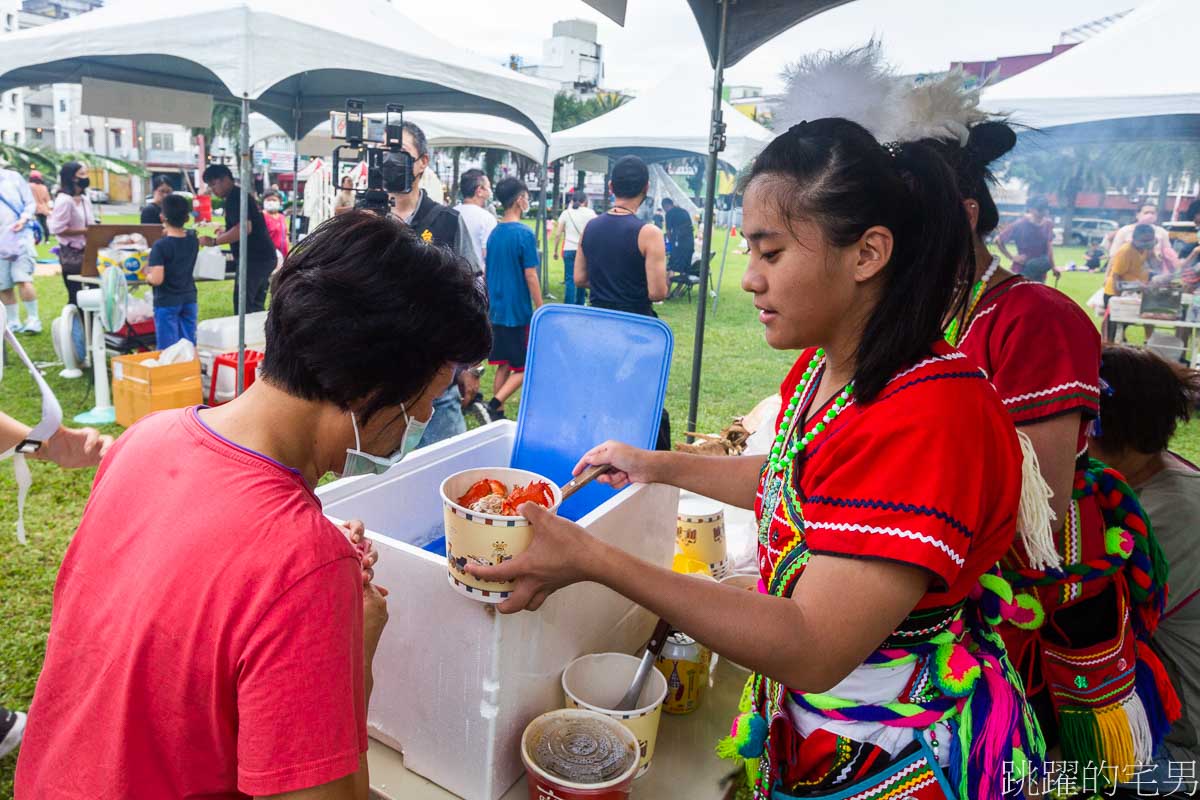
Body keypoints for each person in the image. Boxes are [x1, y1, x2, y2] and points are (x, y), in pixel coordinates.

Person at [470, 118, 1044, 800]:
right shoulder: (824, 369)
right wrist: (658, 464)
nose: (748, 280)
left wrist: (594, 561)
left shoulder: (929, 418)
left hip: (895, 743)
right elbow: (792, 487)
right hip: (814, 731)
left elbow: (812, 644)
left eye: (769, 254)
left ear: (867, 254)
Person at [15, 211, 493, 799]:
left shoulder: (146, 437)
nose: (422, 420)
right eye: (428, 398)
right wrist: (356, 654)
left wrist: (297, 553)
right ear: (369, 388)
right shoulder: (304, 566)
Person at [927, 116, 1176, 787]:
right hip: (961, 585)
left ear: (962, 214)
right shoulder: (930, 315)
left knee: (1036, 768)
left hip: (1036, 597)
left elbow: (1041, 500)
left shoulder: (1034, 315)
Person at [1088, 346, 1200, 794]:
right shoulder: (1145, 484)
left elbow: (1077, 623)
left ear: (1124, 437)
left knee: (1012, 763)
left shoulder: (1163, 518)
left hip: (1177, 752)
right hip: (1154, 728)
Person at [385, 121, 484, 446]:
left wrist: (469, 365)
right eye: (385, 153)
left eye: (400, 154)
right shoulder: (365, 220)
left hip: (436, 380)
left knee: (448, 470)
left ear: (422, 162)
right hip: (380, 381)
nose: (391, 162)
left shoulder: (446, 221)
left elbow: (473, 293)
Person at [576, 155, 670, 449]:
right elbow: (657, 292)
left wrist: (608, 282)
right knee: (643, 403)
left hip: (599, 327)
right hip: (637, 331)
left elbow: (580, 277)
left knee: (604, 399)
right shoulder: (648, 233)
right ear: (646, 187)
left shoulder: (591, 227)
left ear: (611, 185)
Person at [483, 177, 542, 421]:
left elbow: (488, 272)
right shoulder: (524, 234)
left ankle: (497, 415)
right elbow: (530, 275)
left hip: (496, 310)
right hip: (517, 312)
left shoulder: (495, 233)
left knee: (505, 364)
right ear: (519, 199)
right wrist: (541, 307)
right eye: (526, 196)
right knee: (525, 368)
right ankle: (494, 403)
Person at [199, 164, 277, 314]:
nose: (213, 190)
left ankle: (247, 336)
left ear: (225, 179)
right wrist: (226, 232)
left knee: (244, 307)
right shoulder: (238, 196)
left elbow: (244, 228)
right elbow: (241, 226)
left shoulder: (235, 197)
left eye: (214, 184)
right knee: (255, 306)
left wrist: (214, 241)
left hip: (255, 259)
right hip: (264, 257)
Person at [146, 193, 199, 350]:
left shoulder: (160, 247)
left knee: (168, 348)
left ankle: (171, 373)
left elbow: (156, 279)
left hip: (167, 301)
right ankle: (188, 371)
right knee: (188, 345)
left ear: (162, 217)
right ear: (187, 218)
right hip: (189, 297)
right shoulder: (193, 241)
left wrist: (147, 275)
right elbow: (187, 235)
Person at [47, 161, 95, 315]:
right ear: (72, 178)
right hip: (72, 254)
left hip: (89, 252)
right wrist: (84, 231)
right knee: (76, 296)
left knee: (93, 293)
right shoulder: (64, 200)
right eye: (82, 174)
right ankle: (75, 330)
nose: (86, 177)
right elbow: (57, 228)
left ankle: (92, 328)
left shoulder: (85, 199)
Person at [0, 158, 40, 333]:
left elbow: (30, 203)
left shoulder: (13, 178)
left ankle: (33, 319)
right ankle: (13, 321)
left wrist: (23, 220)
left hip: (19, 237)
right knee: (3, 284)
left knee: (23, 278)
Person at [1103, 223, 1158, 342]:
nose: (1148, 242)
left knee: (1126, 323)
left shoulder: (1145, 250)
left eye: (1150, 240)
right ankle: (1108, 348)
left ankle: (1125, 343)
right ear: (1135, 238)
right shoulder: (1126, 251)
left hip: (1132, 292)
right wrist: (1116, 300)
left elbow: (1156, 265)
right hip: (1115, 293)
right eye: (1144, 240)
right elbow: (1116, 276)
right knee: (1112, 327)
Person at [996, 196, 1055, 281]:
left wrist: (1053, 267)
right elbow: (998, 240)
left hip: (1040, 274)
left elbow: (1049, 248)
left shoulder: (1048, 224)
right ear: (1031, 209)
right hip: (1022, 270)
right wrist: (1012, 257)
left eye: (1046, 210)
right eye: (1040, 210)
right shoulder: (1020, 224)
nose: (1043, 213)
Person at [1109, 203, 1180, 274]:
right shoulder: (1125, 231)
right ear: (1137, 215)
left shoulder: (1161, 232)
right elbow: (1114, 255)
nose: (1150, 215)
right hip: (1128, 270)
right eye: (1146, 212)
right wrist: (1108, 276)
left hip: (1154, 270)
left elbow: (1168, 253)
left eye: (1153, 213)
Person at [552, 190, 595, 306]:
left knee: (570, 279)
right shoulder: (590, 213)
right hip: (584, 250)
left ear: (572, 200)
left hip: (569, 249)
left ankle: (568, 305)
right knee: (582, 278)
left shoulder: (566, 213)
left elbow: (558, 234)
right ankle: (580, 304)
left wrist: (555, 250)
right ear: (585, 201)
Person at [454, 168, 496, 267]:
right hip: (477, 278)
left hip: (452, 276)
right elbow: (487, 255)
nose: (490, 192)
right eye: (488, 188)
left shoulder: (451, 213)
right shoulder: (487, 218)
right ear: (479, 191)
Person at [661, 197, 694, 278]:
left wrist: (670, 243)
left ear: (665, 206)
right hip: (689, 242)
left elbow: (668, 231)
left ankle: (667, 290)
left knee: (672, 267)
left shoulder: (669, 214)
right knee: (685, 269)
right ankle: (679, 290)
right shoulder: (684, 211)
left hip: (678, 243)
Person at [262, 189, 290, 262]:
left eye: (274, 200)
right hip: (268, 257)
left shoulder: (282, 217)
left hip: (283, 256)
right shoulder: (261, 217)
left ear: (280, 202)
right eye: (268, 200)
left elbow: (286, 235)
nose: (271, 202)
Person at [26, 169, 51, 236]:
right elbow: (47, 199)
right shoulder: (44, 187)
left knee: (36, 223)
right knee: (44, 224)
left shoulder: (30, 186)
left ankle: (38, 237)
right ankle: (46, 239)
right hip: (44, 208)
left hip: (34, 208)